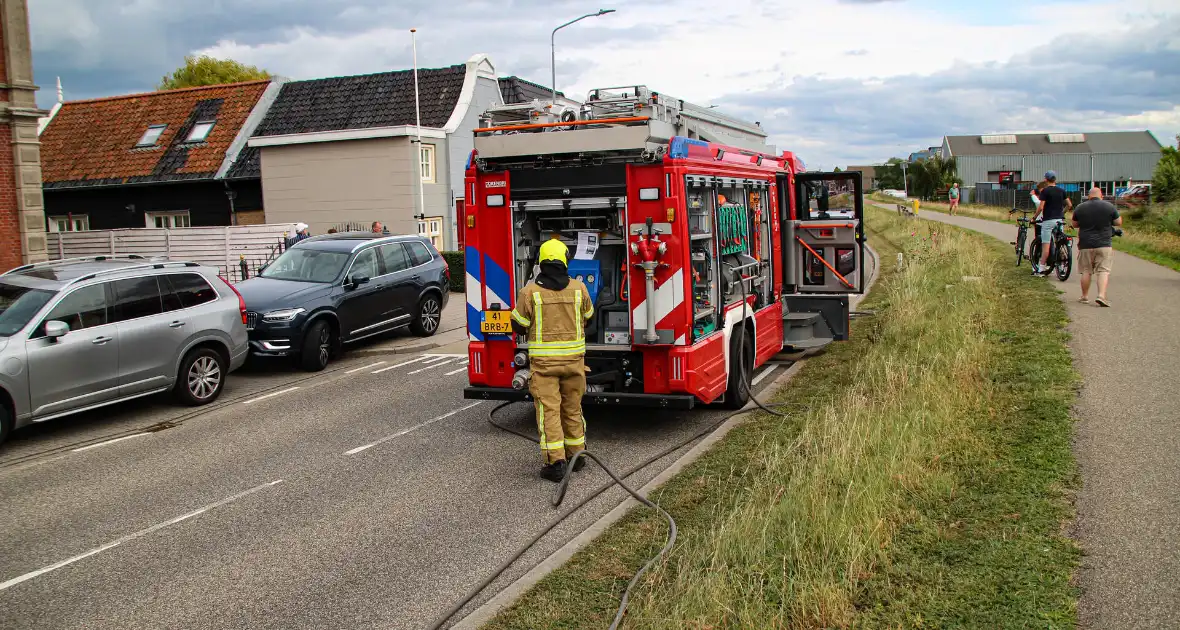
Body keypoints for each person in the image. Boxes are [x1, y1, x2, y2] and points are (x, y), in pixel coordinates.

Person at [510, 238, 594, 482]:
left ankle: (555, 463)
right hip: (574, 364)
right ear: (565, 261)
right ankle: (577, 455)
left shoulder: (529, 293)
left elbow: (519, 325)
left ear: (541, 263)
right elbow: (589, 317)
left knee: (549, 412)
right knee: (572, 408)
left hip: (545, 367)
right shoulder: (579, 289)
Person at [1072, 186, 1121, 307]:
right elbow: (1118, 222)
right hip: (1104, 244)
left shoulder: (1080, 207)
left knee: (1086, 271)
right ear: (1101, 196)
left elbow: (1074, 224)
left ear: (1088, 196)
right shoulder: (1109, 206)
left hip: (1085, 244)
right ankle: (1101, 296)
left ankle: (1084, 296)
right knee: (1103, 271)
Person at [1033, 171, 1072, 276]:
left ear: (1046, 179)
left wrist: (1034, 218)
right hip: (1059, 220)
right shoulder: (1061, 191)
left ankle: (1041, 269)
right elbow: (1069, 205)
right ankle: (1063, 266)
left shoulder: (1045, 191)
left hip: (1048, 220)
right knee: (1060, 241)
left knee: (1046, 245)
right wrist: (1062, 213)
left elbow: (1041, 207)